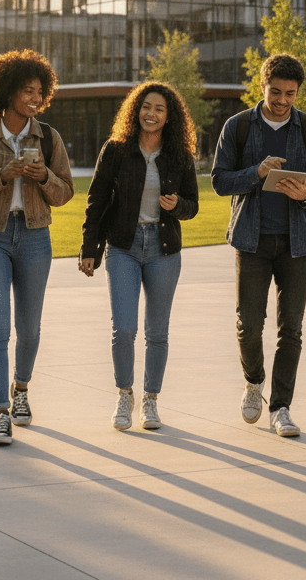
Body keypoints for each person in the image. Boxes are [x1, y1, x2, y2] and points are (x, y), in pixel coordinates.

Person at [0, 49, 74, 447]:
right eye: (27, 90)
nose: (35, 97)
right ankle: (1, 412)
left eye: (40, 90)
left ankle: (21, 388)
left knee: (31, 329)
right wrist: (2, 175)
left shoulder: (50, 138)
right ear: (5, 93)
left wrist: (43, 178)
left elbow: (65, 194)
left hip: (36, 236)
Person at [211, 53, 306, 437]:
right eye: (275, 92)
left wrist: (305, 194)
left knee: (291, 328)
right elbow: (218, 181)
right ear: (262, 86)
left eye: (290, 94)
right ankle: (254, 381)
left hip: (297, 244)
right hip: (251, 240)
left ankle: (281, 407)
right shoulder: (238, 127)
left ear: (298, 93)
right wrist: (256, 172)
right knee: (248, 324)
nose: (282, 100)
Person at [79, 82, 200, 431]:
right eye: (146, 106)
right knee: (124, 328)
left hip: (163, 250)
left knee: (157, 332)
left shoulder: (178, 155)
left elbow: (192, 205)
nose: (151, 113)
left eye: (159, 109)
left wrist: (178, 205)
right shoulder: (116, 150)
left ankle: (150, 400)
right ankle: (124, 394)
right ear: (136, 110)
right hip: (123, 247)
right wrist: (90, 249)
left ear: (169, 116)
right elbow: (96, 201)